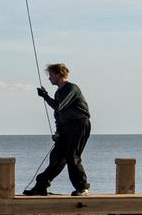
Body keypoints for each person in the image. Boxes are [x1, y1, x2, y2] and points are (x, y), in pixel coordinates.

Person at [25, 63, 92, 196]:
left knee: (72, 156)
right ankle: (41, 185)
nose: (49, 78)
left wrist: (45, 96)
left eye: (50, 75)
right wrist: (58, 132)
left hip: (79, 125)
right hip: (66, 127)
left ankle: (82, 188)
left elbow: (59, 106)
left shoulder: (71, 88)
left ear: (58, 74)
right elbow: (58, 115)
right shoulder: (59, 92)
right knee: (56, 157)